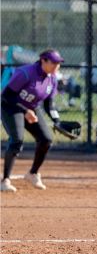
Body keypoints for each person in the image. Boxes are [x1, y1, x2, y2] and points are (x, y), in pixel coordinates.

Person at [1, 49, 65, 192]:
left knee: (46, 139)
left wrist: (57, 120)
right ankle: (5, 180)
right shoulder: (25, 73)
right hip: (10, 108)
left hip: (31, 109)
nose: (57, 66)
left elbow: (49, 105)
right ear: (43, 61)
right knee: (17, 140)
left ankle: (33, 174)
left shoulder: (52, 79)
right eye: (53, 62)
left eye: (59, 63)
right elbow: (6, 97)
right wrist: (25, 111)